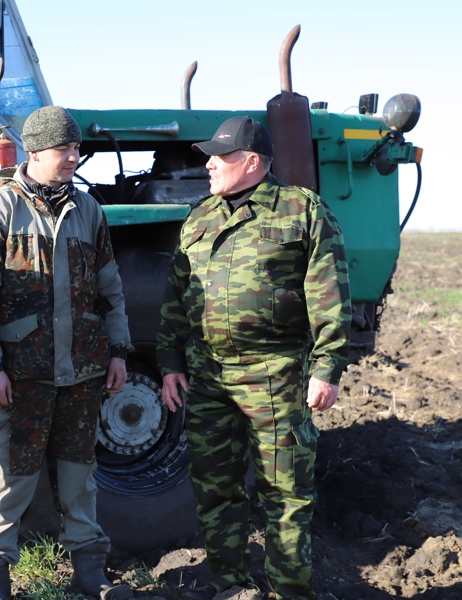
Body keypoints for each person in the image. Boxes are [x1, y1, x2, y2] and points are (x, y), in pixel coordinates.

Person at [156, 117, 351, 600]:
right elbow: (176, 297)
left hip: (276, 376)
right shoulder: (200, 217)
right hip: (207, 378)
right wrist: (169, 363)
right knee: (215, 489)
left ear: (251, 163)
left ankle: (290, 592)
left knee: (284, 496)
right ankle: (231, 587)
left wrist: (326, 368)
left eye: (219, 157)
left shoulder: (299, 211)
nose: (208, 164)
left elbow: (329, 293)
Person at [0, 106, 134, 600]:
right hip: (22, 375)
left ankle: (90, 573)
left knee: (81, 476)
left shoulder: (89, 211)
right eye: (65, 150)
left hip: (83, 372)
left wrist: (118, 352)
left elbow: (111, 291)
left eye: (77, 150)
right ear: (34, 152)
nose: (74, 158)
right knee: (10, 479)